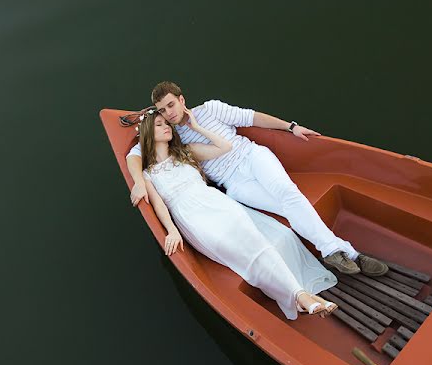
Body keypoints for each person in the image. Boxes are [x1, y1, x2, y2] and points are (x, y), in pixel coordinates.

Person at [127, 81, 388, 277]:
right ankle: (346, 252)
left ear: (182, 100)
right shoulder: (171, 137)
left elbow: (252, 117)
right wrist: (139, 181)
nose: (169, 113)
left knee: (288, 194)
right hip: (234, 184)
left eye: (171, 105)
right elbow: (135, 153)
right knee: (285, 206)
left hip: (252, 157)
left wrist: (291, 127)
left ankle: (337, 252)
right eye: (162, 110)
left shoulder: (211, 109)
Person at [132, 105, 338, 320]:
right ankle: (300, 296)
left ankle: (302, 296)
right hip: (193, 219)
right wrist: (172, 231)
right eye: (159, 124)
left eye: (166, 123)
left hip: (218, 204)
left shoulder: (185, 151)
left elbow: (224, 146)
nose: (167, 126)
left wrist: (197, 127)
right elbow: (159, 205)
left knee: (263, 241)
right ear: (148, 133)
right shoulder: (147, 174)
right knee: (247, 255)